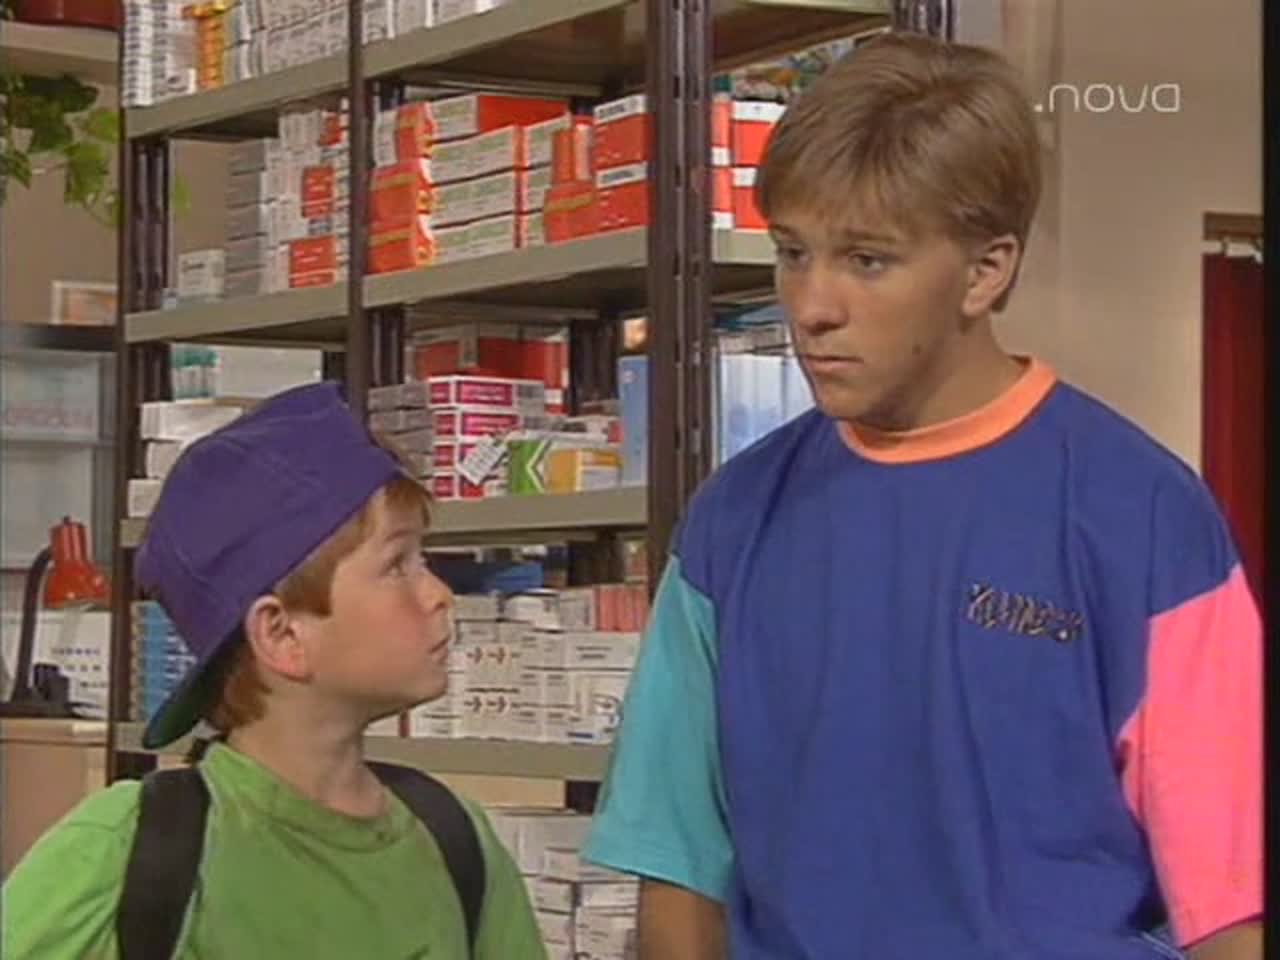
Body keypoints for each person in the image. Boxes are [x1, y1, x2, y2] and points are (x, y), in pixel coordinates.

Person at [583, 32, 1262, 960]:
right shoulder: (732, 520)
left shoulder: (1141, 514)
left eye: (867, 261)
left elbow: (1227, 907)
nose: (811, 306)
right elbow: (677, 867)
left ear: (986, 271)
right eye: (793, 252)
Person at [2, 381, 547, 959]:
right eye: (397, 565)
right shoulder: (127, 851)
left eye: (425, 559)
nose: (440, 594)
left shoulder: (457, 844)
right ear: (281, 634)